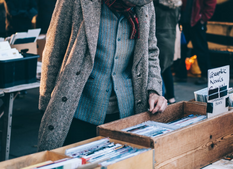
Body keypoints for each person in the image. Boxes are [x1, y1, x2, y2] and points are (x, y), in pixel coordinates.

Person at [37, 0, 168, 151]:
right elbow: (54, 49)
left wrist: (154, 90)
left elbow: (150, 51)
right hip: (77, 111)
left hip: (126, 115)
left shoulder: (145, 5)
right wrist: (47, 105)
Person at [176, 0, 216, 84]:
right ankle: (181, 75)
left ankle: (206, 76)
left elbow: (211, 3)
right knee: (181, 49)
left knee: (201, 49)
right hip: (185, 22)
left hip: (196, 22)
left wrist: (203, 18)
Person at [154, 0, 181, 104]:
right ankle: (171, 96)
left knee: (157, 69)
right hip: (171, 38)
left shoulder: (156, 5)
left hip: (158, 38)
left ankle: (160, 96)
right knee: (166, 67)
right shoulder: (177, 6)